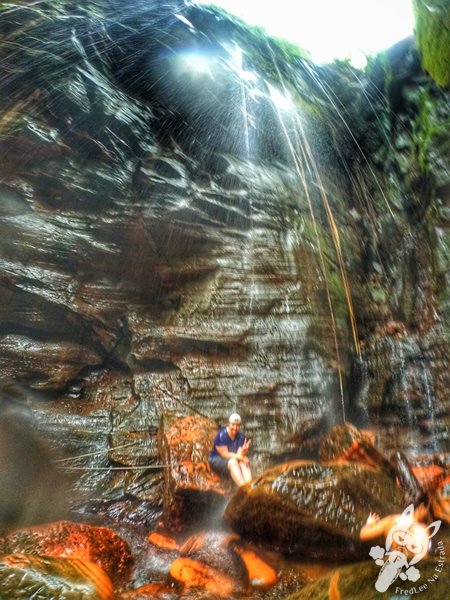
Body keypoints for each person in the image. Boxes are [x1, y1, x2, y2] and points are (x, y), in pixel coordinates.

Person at [208, 413, 252, 487]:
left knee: (244, 462)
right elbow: (224, 454)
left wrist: (243, 452)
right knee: (233, 462)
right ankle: (244, 488)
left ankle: (250, 486)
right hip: (216, 459)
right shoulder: (222, 435)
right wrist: (241, 457)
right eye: (233, 425)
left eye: (237, 425)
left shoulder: (241, 436)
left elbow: (239, 456)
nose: (235, 428)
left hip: (231, 460)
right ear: (229, 424)